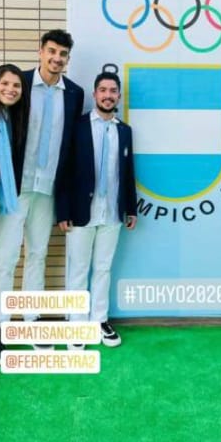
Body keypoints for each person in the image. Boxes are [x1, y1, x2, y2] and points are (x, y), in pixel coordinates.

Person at [0, 31, 84, 366]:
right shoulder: (21, 84)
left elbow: (69, 148)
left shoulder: (74, 93)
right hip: (14, 187)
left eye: (63, 54)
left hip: (48, 189)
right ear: (41, 51)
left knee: (38, 254)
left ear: (67, 59)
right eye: (51, 51)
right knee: (6, 258)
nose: (57, 58)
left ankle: (31, 320)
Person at [58, 71, 137, 348]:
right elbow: (64, 170)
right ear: (94, 94)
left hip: (112, 212)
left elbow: (127, 172)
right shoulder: (77, 126)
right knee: (78, 270)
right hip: (81, 212)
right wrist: (62, 211)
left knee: (103, 268)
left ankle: (99, 320)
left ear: (119, 96)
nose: (107, 95)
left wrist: (131, 208)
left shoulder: (124, 131)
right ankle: (77, 324)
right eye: (102, 90)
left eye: (113, 91)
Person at [0, 64, 30, 369]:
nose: (11, 89)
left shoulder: (16, 120)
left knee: (6, 260)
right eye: (5, 83)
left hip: (8, 198)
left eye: (16, 85)